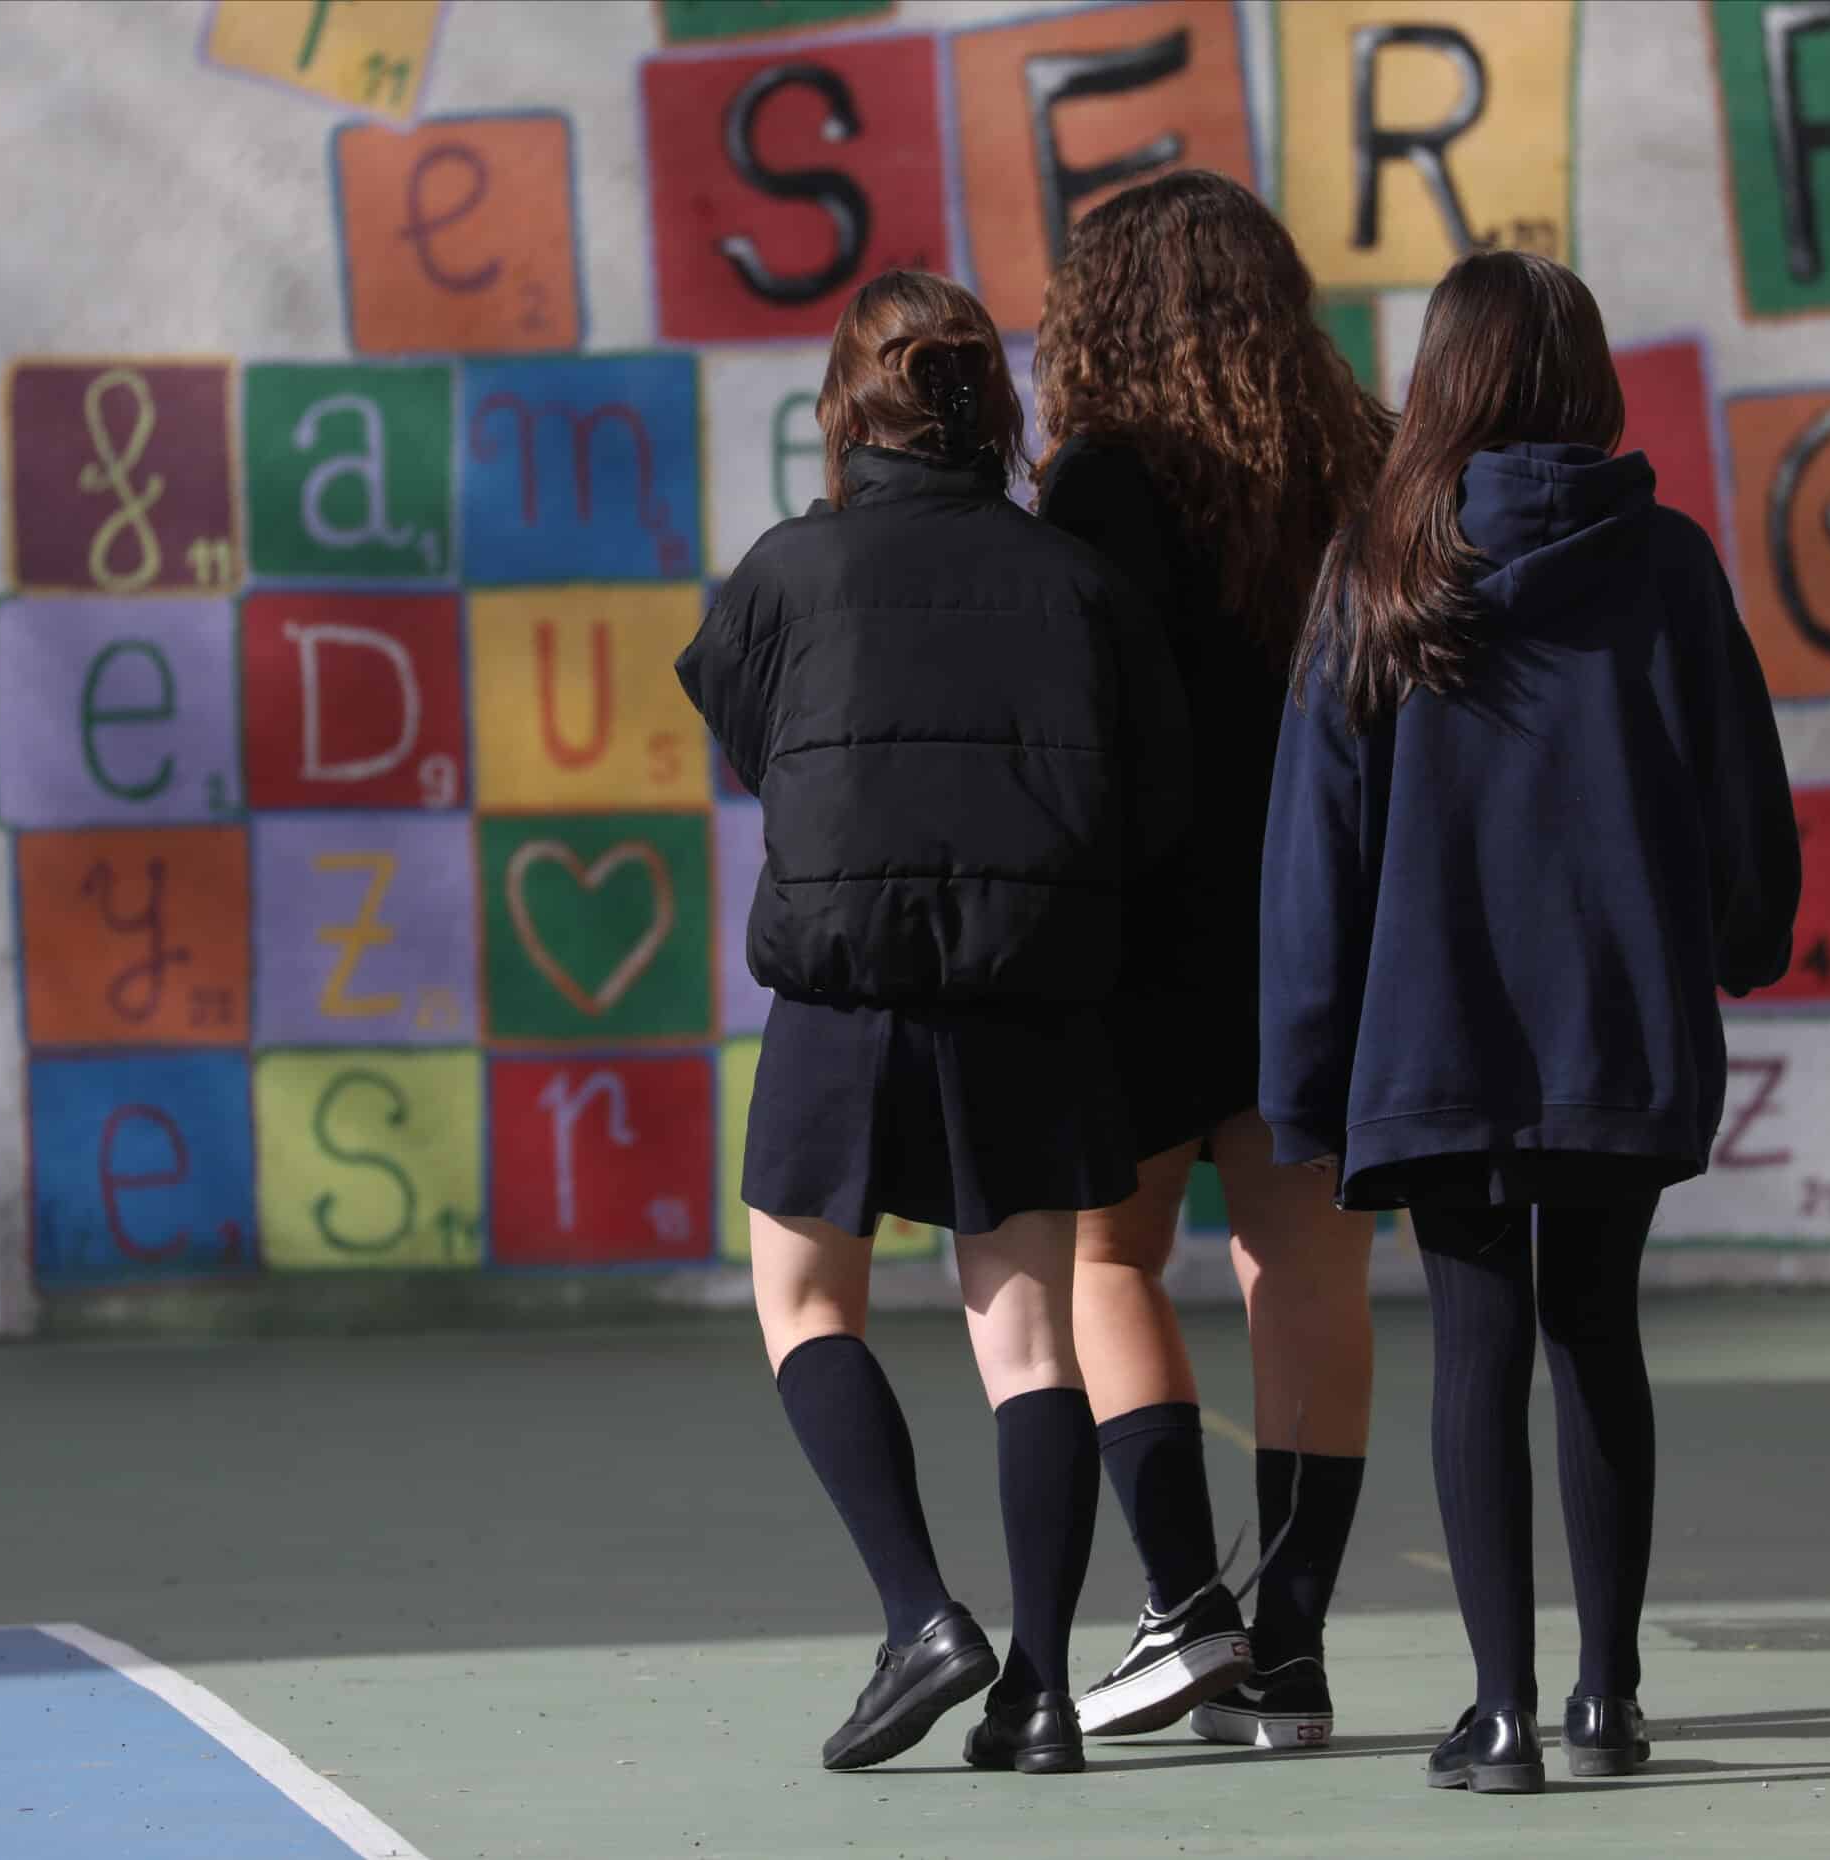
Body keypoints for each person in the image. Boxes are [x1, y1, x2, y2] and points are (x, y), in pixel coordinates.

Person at [1263, 249, 1801, 1795]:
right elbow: (1740, 802)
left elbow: (1318, 850)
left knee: (1476, 1348)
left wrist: (1306, 1074)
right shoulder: (1671, 565)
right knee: (1598, 1332)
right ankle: (1607, 1699)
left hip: (1434, 1037)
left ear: (1443, 382)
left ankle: (1497, 1715)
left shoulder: (1380, 567)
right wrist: (1744, 946)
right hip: (1618, 1024)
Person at [677, 270, 1191, 1777]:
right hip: (1029, 993)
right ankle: (1037, 1693)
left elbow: (753, 741)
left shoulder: (787, 569)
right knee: (1030, 1341)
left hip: (842, 991)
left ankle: (918, 1616)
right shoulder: (1079, 582)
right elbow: (1153, 805)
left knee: (804, 1302)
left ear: (854, 407)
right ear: (993, 406)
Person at [1031, 170, 1394, 1747]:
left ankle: (1188, 1614)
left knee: (1105, 1259)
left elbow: (1083, 736)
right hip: (1330, 926)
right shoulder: (1365, 463)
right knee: (1307, 1271)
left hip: (1144, 934)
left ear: (1101, 315)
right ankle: (1296, 1650)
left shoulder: (1103, 483)